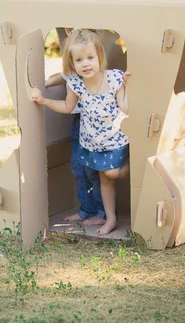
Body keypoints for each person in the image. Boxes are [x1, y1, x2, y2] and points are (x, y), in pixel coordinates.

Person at [32, 29, 130, 236]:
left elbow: (125, 107)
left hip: (115, 140)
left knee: (111, 173)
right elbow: (67, 107)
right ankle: (110, 219)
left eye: (90, 58)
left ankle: (136, 167)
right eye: (79, 60)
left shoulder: (114, 79)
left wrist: (129, 88)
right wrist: (44, 101)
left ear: (99, 57)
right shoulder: (75, 84)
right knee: (104, 179)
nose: (85, 63)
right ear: (71, 64)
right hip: (92, 142)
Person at [45, 60, 106, 227]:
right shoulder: (74, 65)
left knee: (94, 171)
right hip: (78, 121)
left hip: (94, 121)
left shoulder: (91, 63)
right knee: (79, 168)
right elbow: (64, 76)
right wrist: (46, 83)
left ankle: (102, 212)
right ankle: (86, 210)